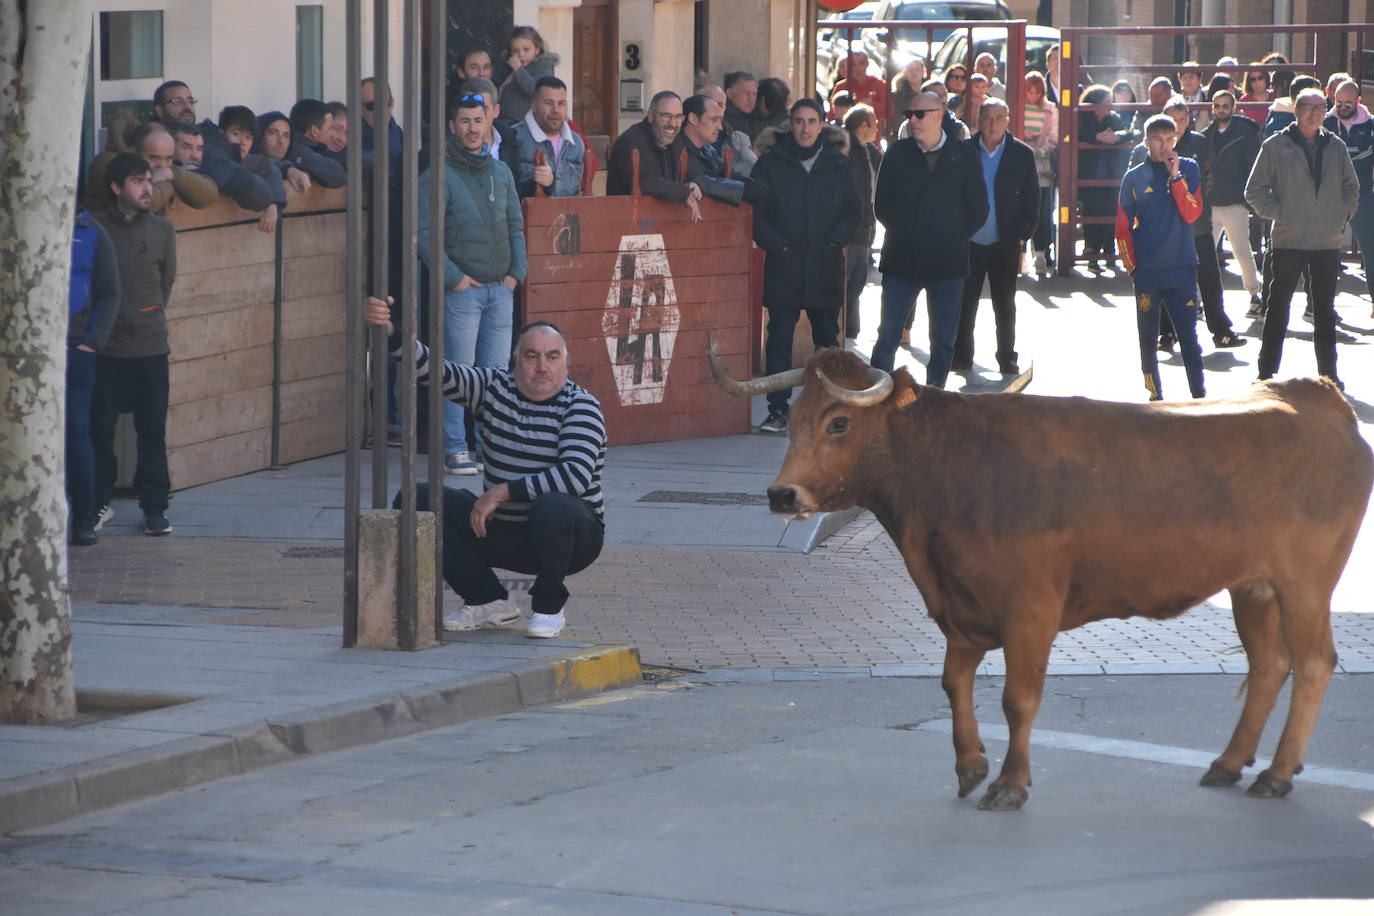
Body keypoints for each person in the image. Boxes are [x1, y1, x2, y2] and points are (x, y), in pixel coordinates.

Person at [369, 299, 606, 640]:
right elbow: (433, 370)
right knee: (416, 498)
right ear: (515, 360)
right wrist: (389, 330)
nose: (542, 366)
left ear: (566, 362)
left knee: (554, 504)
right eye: (531, 356)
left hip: (572, 539)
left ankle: (548, 606)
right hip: (502, 530)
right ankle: (488, 599)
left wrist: (502, 491)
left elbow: (575, 476)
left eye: (552, 356)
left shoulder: (581, 406)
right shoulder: (493, 388)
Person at [418, 92, 525, 475]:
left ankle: (487, 446)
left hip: (501, 289)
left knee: (494, 376)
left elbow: (516, 224)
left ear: (488, 123)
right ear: (452, 127)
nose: (471, 128)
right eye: (464, 121)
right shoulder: (437, 174)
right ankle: (454, 446)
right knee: (457, 372)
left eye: (477, 121)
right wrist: (455, 279)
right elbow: (426, 234)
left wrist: (517, 275)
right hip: (464, 291)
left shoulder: (501, 172)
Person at [750, 98, 859, 432]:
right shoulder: (770, 163)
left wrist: (833, 244)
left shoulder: (838, 164)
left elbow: (854, 211)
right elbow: (756, 212)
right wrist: (777, 245)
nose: (805, 128)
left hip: (824, 266)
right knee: (779, 339)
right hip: (784, 265)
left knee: (827, 340)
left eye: (812, 121)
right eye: (799, 121)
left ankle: (831, 408)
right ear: (790, 124)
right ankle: (778, 410)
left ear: (822, 125)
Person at [869, 91, 988, 384]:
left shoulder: (964, 155)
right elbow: (882, 205)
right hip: (902, 260)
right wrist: (908, 231)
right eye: (909, 114)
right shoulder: (898, 153)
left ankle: (936, 399)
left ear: (939, 114)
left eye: (919, 114)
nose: (912, 120)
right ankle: (874, 399)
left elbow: (979, 208)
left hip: (948, 264)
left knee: (943, 341)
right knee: (888, 335)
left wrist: (953, 235)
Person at [1247, 88, 1360, 388]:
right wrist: (1281, 213)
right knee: (1277, 309)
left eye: (1321, 107)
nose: (1315, 113)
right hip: (1288, 240)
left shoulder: (1335, 145)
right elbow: (1254, 190)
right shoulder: (1276, 145)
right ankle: (1266, 374)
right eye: (1309, 107)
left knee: (1324, 312)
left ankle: (1329, 376)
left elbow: (1352, 187)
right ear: (1296, 110)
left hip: (1326, 241)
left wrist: (1341, 215)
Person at [91, 153, 178, 535]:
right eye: (137, 181)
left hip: (151, 347)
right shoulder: (94, 229)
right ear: (116, 187)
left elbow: (165, 285)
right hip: (105, 349)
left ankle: (155, 507)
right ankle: (95, 504)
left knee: (153, 433)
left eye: (148, 180)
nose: (147, 188)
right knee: (99, 431)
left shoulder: (162, 230)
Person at [1114, 115, 1206, 401]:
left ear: (1176, 140)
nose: (1165, 146)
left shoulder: (1189, 169)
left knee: (1189, 339)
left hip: (1182, 268)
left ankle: (1199, 396)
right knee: (1147, 340)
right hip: (1148, 272)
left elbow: (1192, 213)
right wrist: (1133, 269)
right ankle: (1155, 396)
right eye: (1158, 140)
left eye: (1170, 139)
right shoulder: (1134, 178)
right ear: (1146, 142)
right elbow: (1122, 226)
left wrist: (1176, 178)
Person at [952, 99, 1038, 376]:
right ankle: (962, 356)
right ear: (978, 119)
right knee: (966, 304)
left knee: (1005, 305)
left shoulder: (1021, 154)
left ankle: (1006, 358)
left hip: (1004, 242)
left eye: (999, 118)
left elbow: (1032, 198)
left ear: (1008, 120)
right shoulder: (964, 151)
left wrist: (1023, 236)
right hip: (969, 241)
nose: (992, 124)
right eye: (987, 118)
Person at [66, 209, 120, 546]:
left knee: (77, 430)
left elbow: (110, 291)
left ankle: (84, 517)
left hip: (76, 348)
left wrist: (92, 342)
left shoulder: (91, 230)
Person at [1204, 89, 1263, 313]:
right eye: (1217, 106)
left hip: (1235, 203)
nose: (1221, 110)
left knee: (1242, 252)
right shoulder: (1206, 134)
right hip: (1211, 203)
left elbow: (1252, 167)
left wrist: (1245, 199)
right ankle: (1199, 299)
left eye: (1225, 106)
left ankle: (1255, 295)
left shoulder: (1245, 133)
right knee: (1205, 254)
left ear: (1233, 107)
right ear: (1212, 109)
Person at [86, 120, 217, 216]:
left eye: (168, 158)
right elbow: (142, 203)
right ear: (134, 152)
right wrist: (168, 185)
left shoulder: (166, 169)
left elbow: (207, 196)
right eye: (154, 158)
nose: (162, 165)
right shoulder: (106, 163)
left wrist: (172, 173)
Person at [607, 90, 702, 218]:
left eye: (678, 117)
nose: (673, 124)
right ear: (651, 116)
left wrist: (695, 183)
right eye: (666, 116)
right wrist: (683, 192)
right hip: (627, 222)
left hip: (664, 221)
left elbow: (693, 170)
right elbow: (643, 181)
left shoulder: (676, 142)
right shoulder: (628, 142)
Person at [1326, 80, 1374, 306]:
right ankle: (1318, 306)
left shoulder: (1371, 126)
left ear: (1358, 101)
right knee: (1322, 251)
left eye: (1348, 103)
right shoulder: (1324, 123)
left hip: (1361, 194)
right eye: (1338, 103)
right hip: (1329, 195)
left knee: (1372, 249)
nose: (1342, 108)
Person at [1079, 84, 1132, 271]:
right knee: (1091, 210)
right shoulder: (1082, 117)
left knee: (1111, 211)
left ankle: (1109, 254)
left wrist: (1117, 136)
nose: (1111, 105)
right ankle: (1092, 254)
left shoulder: (1114, 118)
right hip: (1089, 174)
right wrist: (1097, 136)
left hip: (1110, 173)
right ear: (1094, 104)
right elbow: (1076, 133)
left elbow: (1129, 132)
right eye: (1107, 102)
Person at [681, 92, 767, 206]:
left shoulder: (708, 151)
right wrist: (745, 190)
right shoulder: (678, 150)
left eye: (720, 120)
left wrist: (755, 185)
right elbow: (703, 180)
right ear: (693, 118)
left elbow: (729, 173)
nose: (720, 127)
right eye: (714, 119)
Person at [842, 104, 882, 345]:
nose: (877, 128)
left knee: (858, 278)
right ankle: (845, 330)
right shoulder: (846, 149)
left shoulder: (869, 150)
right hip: (853, 228)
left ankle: (850, 330)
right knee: (850, 280)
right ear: (863, 126)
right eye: (874, 123)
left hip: (866, 227)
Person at [512, 76, 585, 198]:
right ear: (534, 106)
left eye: (561, 103)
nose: (556, 110)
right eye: (548, 103)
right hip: (529, 215)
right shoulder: (515, 137)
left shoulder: (576, 143)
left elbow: (576, 193)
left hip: (567, 216)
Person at [1022, 71, 1058, 277]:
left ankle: (1041, 253)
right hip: (1022, 166)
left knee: (1042, 211)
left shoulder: (1051, 110)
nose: (1033, 96)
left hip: (1042, 166)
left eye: (1037, 92)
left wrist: (1040, 149)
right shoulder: (1018, 106)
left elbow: (1054, 136)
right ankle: (1020, 256)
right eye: (1029, 91)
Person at [498, 25, 558, 126]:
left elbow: (534, 90)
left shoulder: (543, 68)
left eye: (526, 49)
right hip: (505, 118)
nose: (521, 54)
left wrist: (519, 70)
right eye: (515, 51)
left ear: (537, 50)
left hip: (525, 123)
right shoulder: (509, 65)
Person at [831, 52, 889, 133]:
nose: (858, 68)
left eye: (861, 63)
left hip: (871, 138)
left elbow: (890, 111)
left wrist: (872, 104)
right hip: (846, 137)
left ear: (867, 64)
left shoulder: (879, 84)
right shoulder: (841, 86)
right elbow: (832, 114)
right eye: (854, 64)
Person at [889, 57, 927, 142]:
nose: (914, 73)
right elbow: (893, 121)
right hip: (904, 139)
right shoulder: (897, 94)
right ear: (905, 73)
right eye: (910, 70)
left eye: (917, 70)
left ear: (923, 72)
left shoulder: (930, 92)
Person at [723, 71, 760, 141]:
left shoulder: (754, 118)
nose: (751, 100)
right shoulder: (725, 121)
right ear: (730, 94)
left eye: (754, 94)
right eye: (746, 93)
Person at [1178, 61, 1209, 130]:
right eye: (1185, 77)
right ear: (1180, 81)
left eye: (1192, 77)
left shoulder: (1207, 98)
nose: (1188, 80)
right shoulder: (1176, 100)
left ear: (1199, 80)